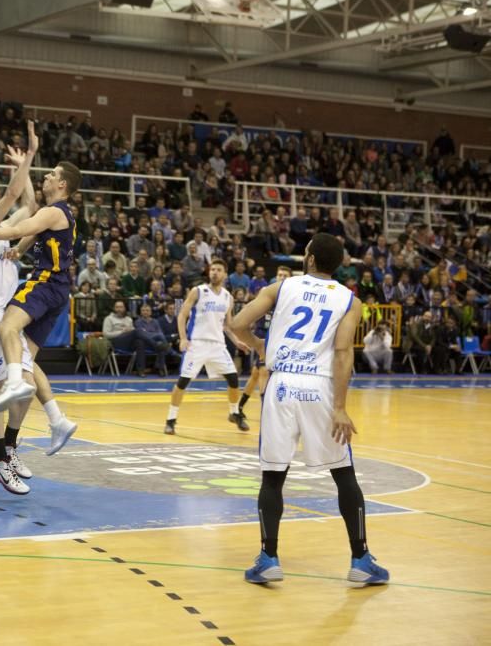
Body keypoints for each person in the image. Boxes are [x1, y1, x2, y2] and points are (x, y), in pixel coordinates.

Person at [230, 232, 389, 586]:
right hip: (319, 386)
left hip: (282, 384)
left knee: (273, 476)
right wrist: (341, 408)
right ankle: (360, 559)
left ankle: (269, 558)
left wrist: (259, 345)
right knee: (343, 474)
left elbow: (239, 323)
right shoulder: (350, 300)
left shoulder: (281, 287)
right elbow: (345, 352)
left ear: (311, 259)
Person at [0, 129, 77, 494]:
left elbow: (27, 201)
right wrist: (27, 160)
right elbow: (13, 194)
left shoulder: (6, 231)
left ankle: (10, 448)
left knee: (23, 385)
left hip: (4, 312)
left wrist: (23, 168)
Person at [164, 258, 251, 435]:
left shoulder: (228, 297)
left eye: (218, 270)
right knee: (183, 382)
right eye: (212, 270)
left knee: (234, 379)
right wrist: (182, 338)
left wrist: (237, 341)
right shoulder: (198, 292)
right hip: (197, 344)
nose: (214, 273)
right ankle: (171, 419)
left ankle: (234, 413)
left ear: (225, 274)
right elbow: (182, 315)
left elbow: (227, 325)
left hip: (218, 345)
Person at [238, 266, 291, 417]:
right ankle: (265, 411)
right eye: (279, 274)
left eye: (284, 275)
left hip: (279, 338)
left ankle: (239, 407)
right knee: (263, 372)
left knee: (255, 374)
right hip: (263, 337)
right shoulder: (267, 292)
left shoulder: (291, 297)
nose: (281, 277)